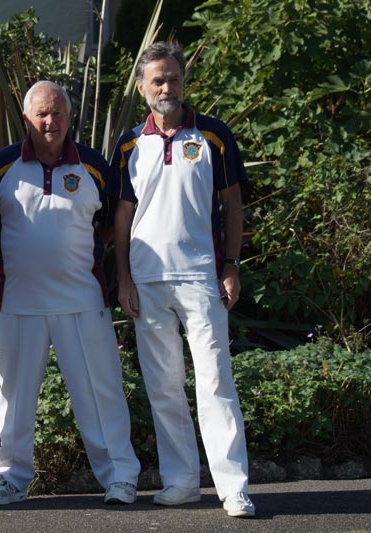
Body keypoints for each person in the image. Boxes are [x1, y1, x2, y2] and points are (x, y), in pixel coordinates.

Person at [112, 40, 255, 518]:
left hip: (201, 277)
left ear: (183, 82)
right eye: (157, 80)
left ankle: (233, 487)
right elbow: (122, 215)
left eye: (173, 78)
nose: (166, 87)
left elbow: (232, 202)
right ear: (142, 88)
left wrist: (231, 264)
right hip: (147, 281)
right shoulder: (130, 143)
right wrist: (124, 279)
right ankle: (181, 482)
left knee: (215, 382)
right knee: (164, 385)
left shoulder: (213, 136)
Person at [0, 80, 141, 506]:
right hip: (17, 303)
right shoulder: (1, 165)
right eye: (42, 114)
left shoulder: (92, 165)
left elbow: (111, 222)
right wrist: (13, 254)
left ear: (70, 118)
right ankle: (10, 479)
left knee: (101, 392)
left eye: (59, 113)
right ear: (27, 118)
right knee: (13, 398)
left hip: (83, 301)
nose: (51, 121)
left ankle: (120, 476)